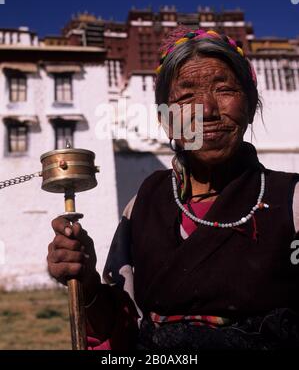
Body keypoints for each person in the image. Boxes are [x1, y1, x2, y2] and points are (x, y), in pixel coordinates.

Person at [47, 28, 299, 350]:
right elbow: (123, 329)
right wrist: (87, 285)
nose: (206, 110)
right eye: (186, 97)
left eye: (224, 90)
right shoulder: (144, 205)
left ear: (249, 106)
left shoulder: (290, 201)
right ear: (167, 120)